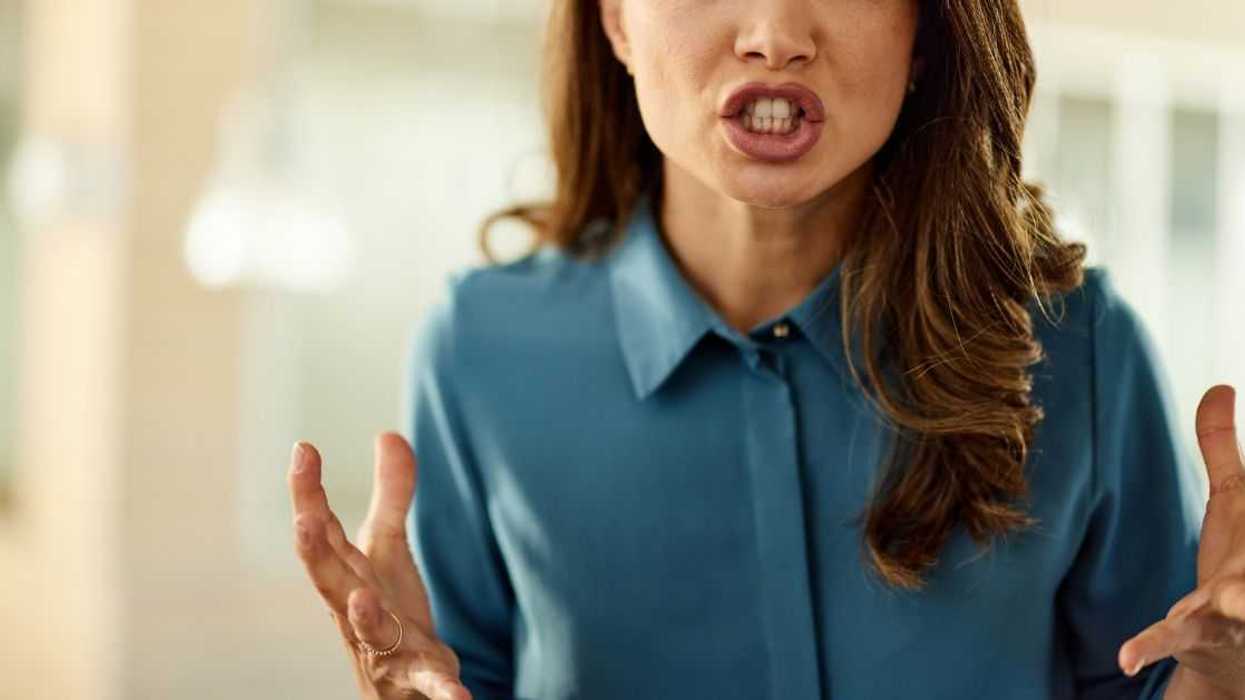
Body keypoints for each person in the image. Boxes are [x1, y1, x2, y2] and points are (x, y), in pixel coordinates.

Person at [286, 1, 1245, 698]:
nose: (775, 33)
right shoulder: (482, 353)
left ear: (925, 35)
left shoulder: (1077, 350)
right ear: (614, 21)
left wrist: (1224, 675)